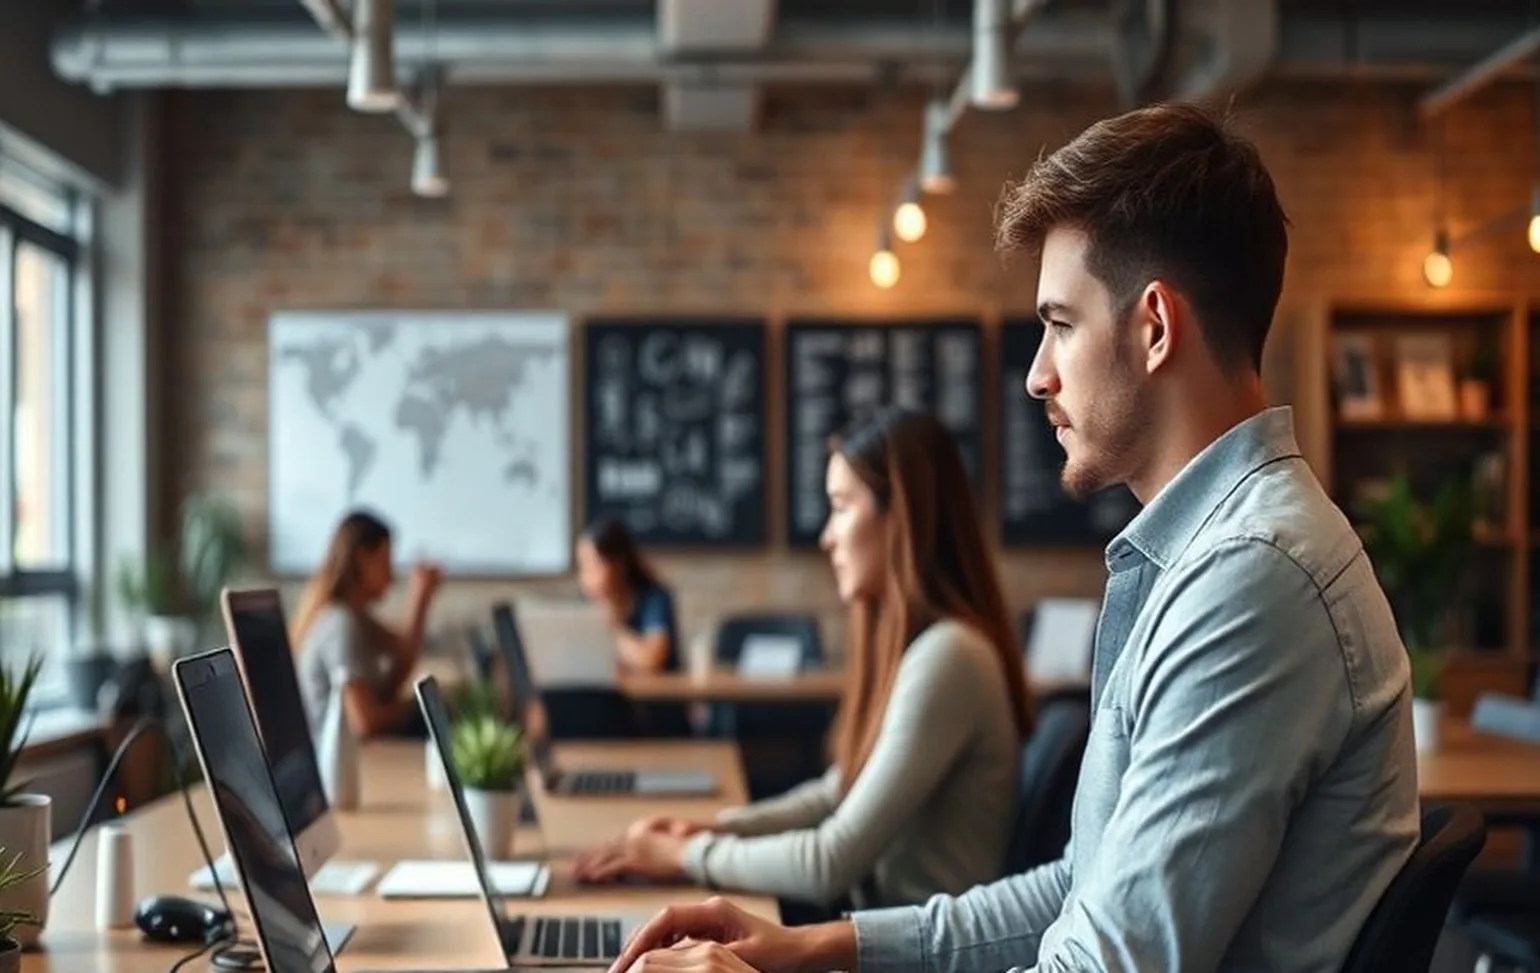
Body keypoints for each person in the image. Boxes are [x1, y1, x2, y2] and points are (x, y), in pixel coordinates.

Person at [605, 102, 1421, 973]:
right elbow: (1083, 890)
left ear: (1153, 327)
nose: (1036, 374)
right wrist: (819, 946)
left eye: (1060, 324)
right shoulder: (1201, 559)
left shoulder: (1252, 578)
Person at [573, 408, 1033, 917]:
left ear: (899, 517)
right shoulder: (927, 648)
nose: (826, 537)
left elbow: (828, 861)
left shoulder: (952, 657)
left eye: (840, 507)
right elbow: (836, 793)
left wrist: (686, 856)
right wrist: (715, 828)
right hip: (868, 930)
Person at [291, 509, 442, 740]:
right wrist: (417, 707)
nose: (392, 577)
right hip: (340, 765)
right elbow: (365, 723)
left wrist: (421, 601)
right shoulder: (340, 625)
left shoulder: (356, 618)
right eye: (385, 561)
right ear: (363, 559)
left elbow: (400, 663)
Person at [574, 518, 692, 737]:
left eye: (595, 565)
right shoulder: (583, 608)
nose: (586, 578)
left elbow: (651, 660)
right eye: (582, 567)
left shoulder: (654, 599)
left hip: (660, 719)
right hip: (610, 718)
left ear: (619, 564)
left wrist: (606, 626)